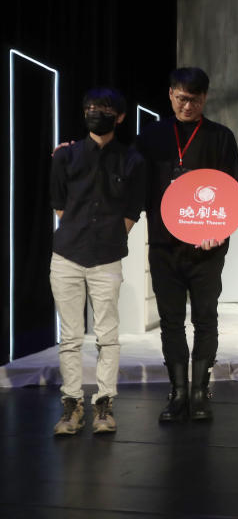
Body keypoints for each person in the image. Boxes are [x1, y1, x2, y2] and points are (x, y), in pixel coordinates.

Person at [137, 67, 238, 422]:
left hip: (206, 246)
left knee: (206, 319)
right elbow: (130, 176)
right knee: (170, 321)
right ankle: (178, 391)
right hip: (164, 245)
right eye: (181, 98)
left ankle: (200, 392)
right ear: (170, 95)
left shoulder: (221, 137)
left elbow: (231, 190)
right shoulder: (151, 136)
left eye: (194, 100)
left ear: (205, 98)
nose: (187, 105)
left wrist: (222, 229)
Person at [49, 88, 145, 435]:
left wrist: (108, 235)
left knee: (108, 335)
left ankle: (104, 403)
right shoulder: (65, 155)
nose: (95, 113)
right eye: (90, 107)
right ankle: (71, 405)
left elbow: (133, 209)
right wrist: (79, 231)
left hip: (107, 257)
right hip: (67, 255)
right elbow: (59, 204)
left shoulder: (131, 160)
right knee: (70, 336)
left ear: (119, 117)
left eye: (103, 109)